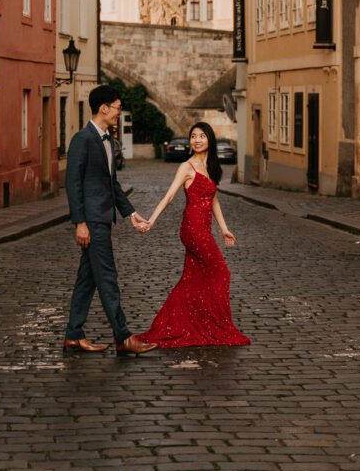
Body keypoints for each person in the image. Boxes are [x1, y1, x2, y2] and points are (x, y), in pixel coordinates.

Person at [136, 122, 250, 348]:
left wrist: (224, 228)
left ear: (209, 140)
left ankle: (185, 323)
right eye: (193, 136)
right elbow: (169, 197)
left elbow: (213, 199)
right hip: (193, 229)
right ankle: (217, 325)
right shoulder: (186, 167)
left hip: (203, 228)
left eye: (202, 136)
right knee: (221, 273)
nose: (197, 140)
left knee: (194, 278)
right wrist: (151, 220)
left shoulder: (210, 167)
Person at [63, 84, 157, 356]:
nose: (119, 112)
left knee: (88, 279)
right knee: (107, 277)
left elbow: (112, 185)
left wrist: (130, 212)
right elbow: (73, 184)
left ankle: (73, 334)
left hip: (102, 218)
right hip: (92, 221)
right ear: (103, 108)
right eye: (117, 107)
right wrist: (80, 222)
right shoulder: (83, 139)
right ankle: (123, 336)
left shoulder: (107, 140)